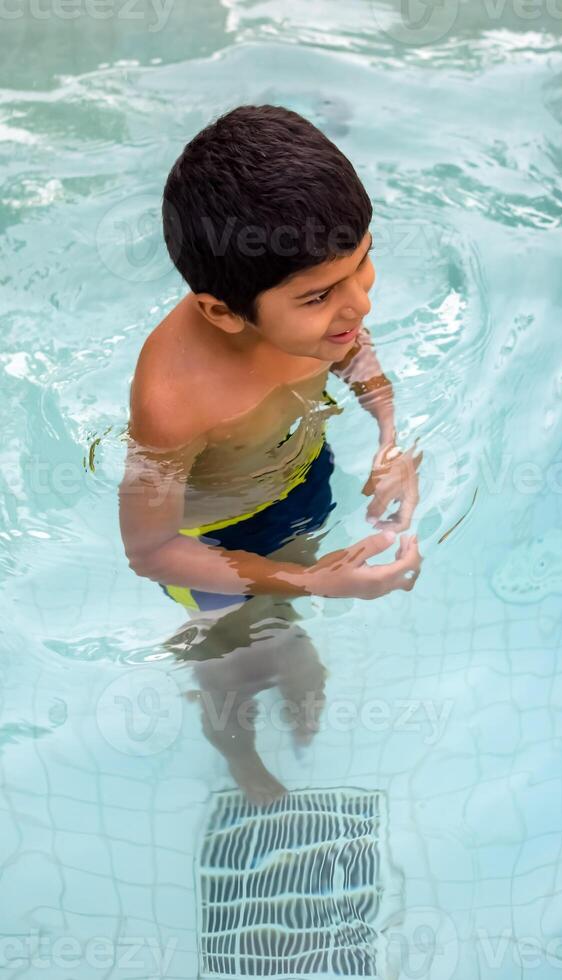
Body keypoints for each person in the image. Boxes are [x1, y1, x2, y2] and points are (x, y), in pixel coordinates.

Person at [118, 104, 422, 800]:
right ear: (223, 312)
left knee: (283, 632)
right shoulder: (174, 399)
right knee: (230, 666)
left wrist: (388, 438)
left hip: (298, 477)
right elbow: (150, 549)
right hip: (209, 536)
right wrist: (315, 583)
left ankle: (283, 644)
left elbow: (355, 354)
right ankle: (241, 762)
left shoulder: (322, 320)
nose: (360, 307)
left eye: (364, 264)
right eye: (321, 295)